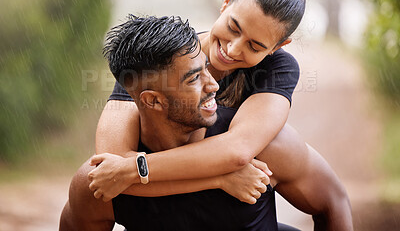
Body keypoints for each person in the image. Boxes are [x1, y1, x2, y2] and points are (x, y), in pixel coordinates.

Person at [60, 15, 352, 231]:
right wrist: (220, 178)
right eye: (193, 78)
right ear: (153, 100)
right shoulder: (103, 182)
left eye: (206, 69)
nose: (214, 84)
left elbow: (333, 202)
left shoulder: (265, 149)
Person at [90, 0, 308, 205]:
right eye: (234, 28)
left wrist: (136, 168)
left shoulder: (277, 68)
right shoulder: (163, 55)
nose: (233, 50)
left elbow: (237, 150)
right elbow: (110, 171)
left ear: (279, 45)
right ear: (226, 1)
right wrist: (219, 179)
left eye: (254, 47)